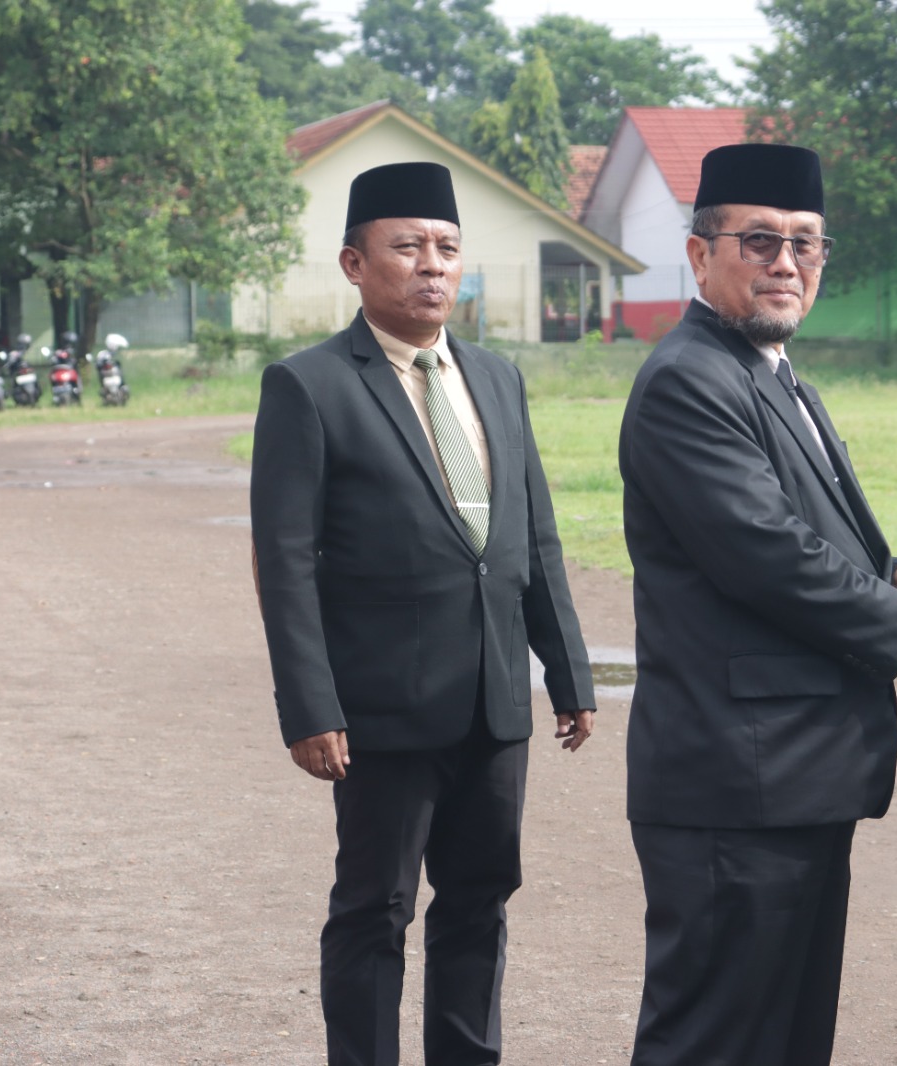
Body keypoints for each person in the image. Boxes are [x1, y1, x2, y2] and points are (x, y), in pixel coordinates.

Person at [618, 142, 897, 1066]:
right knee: (714, 1039)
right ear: (700, 254)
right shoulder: (690, 380)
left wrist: (894, 576)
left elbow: (795, 541)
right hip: (735, 782)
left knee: (785, 1037)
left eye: (806, 243)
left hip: (792, 777)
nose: (786, 262)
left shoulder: (773, 374)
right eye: (759, 241)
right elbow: (767, 555)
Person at [249, 161, 596, 1066]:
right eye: (407, 247)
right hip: (382, 709)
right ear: (355, 264)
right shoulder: (311, 385)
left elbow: (534, 537)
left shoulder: (497, 378)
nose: (432, 266)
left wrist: (568, 671)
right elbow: (285, 563)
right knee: (376, 907)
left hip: (493, 701)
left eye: (447, 248)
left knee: (480, 899)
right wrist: (311, 707)